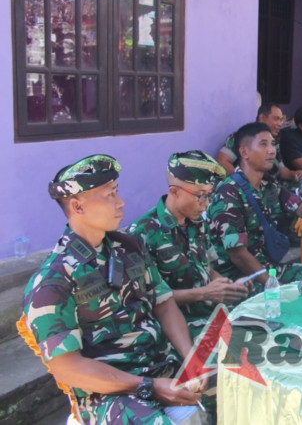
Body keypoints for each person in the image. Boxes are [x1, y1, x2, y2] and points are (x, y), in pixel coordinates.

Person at [21, 155, 203, 423]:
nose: (121, 202)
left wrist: (190, 359)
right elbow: (67, 368)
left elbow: (164, 304)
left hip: (161, 366)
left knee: (233, 380)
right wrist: (147, 386)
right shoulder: (53, 280)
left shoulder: (129, 248)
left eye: (117, 192)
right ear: (77, 206)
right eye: (109, 195)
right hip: (109, 391)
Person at [127, 151, 248, 339]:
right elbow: (147, 299)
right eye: (200, 196)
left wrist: (224, 285)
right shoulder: (142, 233)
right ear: (174, 191)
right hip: (180, 324)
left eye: (208, 195)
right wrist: (203, 294)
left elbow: (207, 268)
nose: (206, 204)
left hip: (211, 311)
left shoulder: (198, 224)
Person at [208, 122, 302, 285]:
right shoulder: (228, 193)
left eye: (272, 144)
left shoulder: (269, 185)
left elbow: (298, 206)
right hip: (240, 281)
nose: (272, 150)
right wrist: (274, 286)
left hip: (269, 270)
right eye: (263, 144)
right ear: (244, 152)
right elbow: (238, 255)